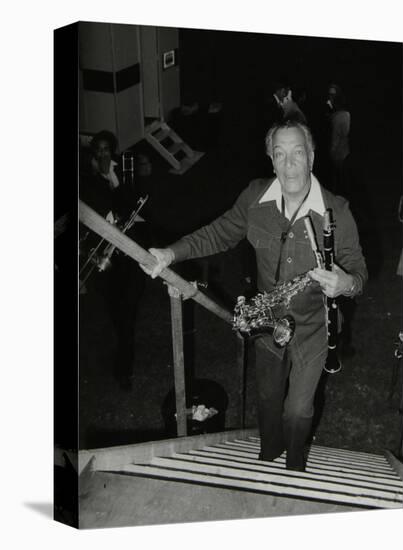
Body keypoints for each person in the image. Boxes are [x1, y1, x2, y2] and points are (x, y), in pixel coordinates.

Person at [140, 120, 367, 471]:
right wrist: (171, 253)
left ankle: (293, 467)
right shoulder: (254, 197)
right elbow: (218, 234)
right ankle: (269, 453)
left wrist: (346, 283)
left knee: (297, 409)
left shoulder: (338, 211)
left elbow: (360, 272)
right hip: (267, 323)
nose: (289, 163)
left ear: (311, 156)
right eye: (280, 154)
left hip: (314, 326)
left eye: (297, 153)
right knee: (267, 398)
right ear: (271, 160)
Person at [79, 130, 145, 390]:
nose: (104, 155)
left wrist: (115, 180)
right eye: (99, 151)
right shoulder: (88, 183)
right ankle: (119, 356)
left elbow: (134, 208)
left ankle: (123, 370)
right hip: (105, 261)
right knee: (116, 315)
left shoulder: (124, 177)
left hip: (128, 258)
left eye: (108, 150)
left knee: (127, 314)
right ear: (93, 157)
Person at [326, 83, 351, 193]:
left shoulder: (341, 115)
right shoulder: (336, 114)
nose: (330, 98)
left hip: (338, 154)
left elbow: (337, 136)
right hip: (340, 153)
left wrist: (331, 152)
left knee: (338, 185)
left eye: (333, 95)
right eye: (329, 95)